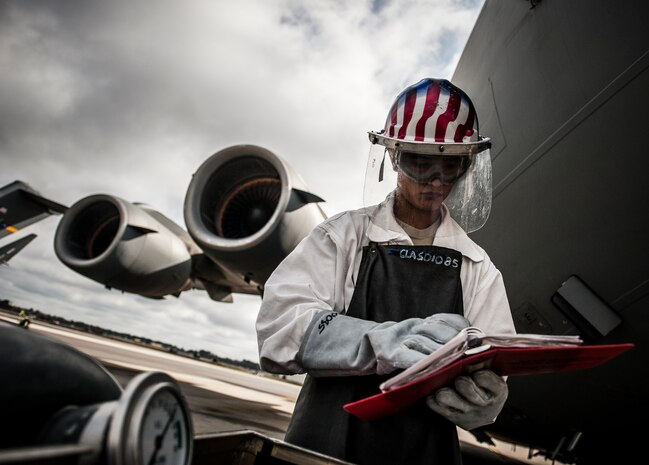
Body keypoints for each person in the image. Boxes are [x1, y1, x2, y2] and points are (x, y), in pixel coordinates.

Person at [256, 78, 516, 464]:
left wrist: (487, 402)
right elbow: (279, 327)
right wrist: (379, 341)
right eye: (420, 162)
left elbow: (496, 362)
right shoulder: (342, 237)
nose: (437, 181)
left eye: (451, 164)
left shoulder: (477, 266)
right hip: (325, 445)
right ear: (393, 156)